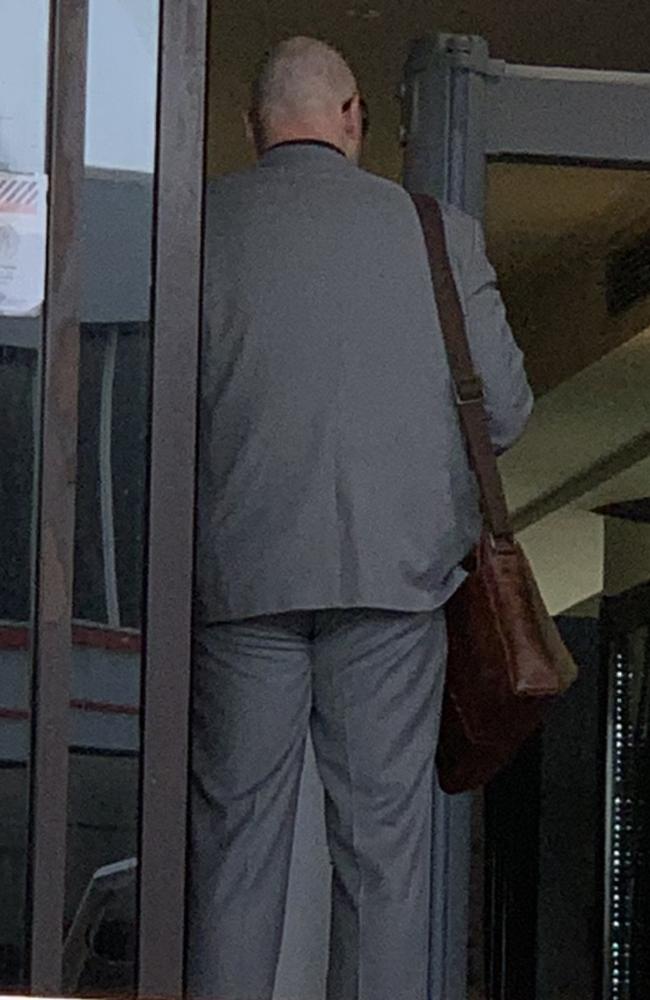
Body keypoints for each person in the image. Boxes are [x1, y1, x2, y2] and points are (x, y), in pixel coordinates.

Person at [187, 35, 533, 1000]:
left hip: (238, 579)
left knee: (235, 854)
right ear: (352, 120)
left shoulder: (196, 225)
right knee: (384, 861)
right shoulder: (439, 234)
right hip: (394, 584)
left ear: (254, 127)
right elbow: (502, 412)